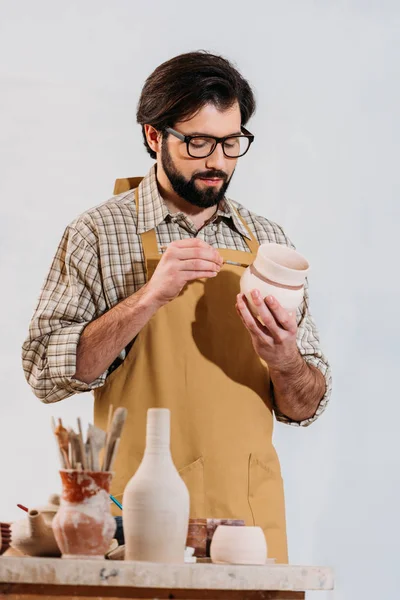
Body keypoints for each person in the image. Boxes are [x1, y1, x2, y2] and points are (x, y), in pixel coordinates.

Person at [22, 51, 332, 563]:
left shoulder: (271, 244)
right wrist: (148, 297)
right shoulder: (97, 235)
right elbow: (45, 373)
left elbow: (306, 404)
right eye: (198, 143)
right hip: (136, 526)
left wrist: (285, 360)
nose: (217, 162)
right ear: (152, 135)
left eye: (232, 143)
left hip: (246, 530)